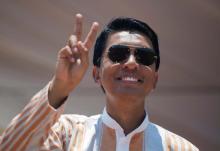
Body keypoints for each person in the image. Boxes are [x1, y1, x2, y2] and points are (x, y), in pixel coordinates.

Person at [0, 14, 199, 151]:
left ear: (155, 79)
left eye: (144, 57)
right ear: (96, 74)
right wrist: (59, 86)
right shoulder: (65, 135)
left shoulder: (180, 148)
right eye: (118, 54)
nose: (131, 63)